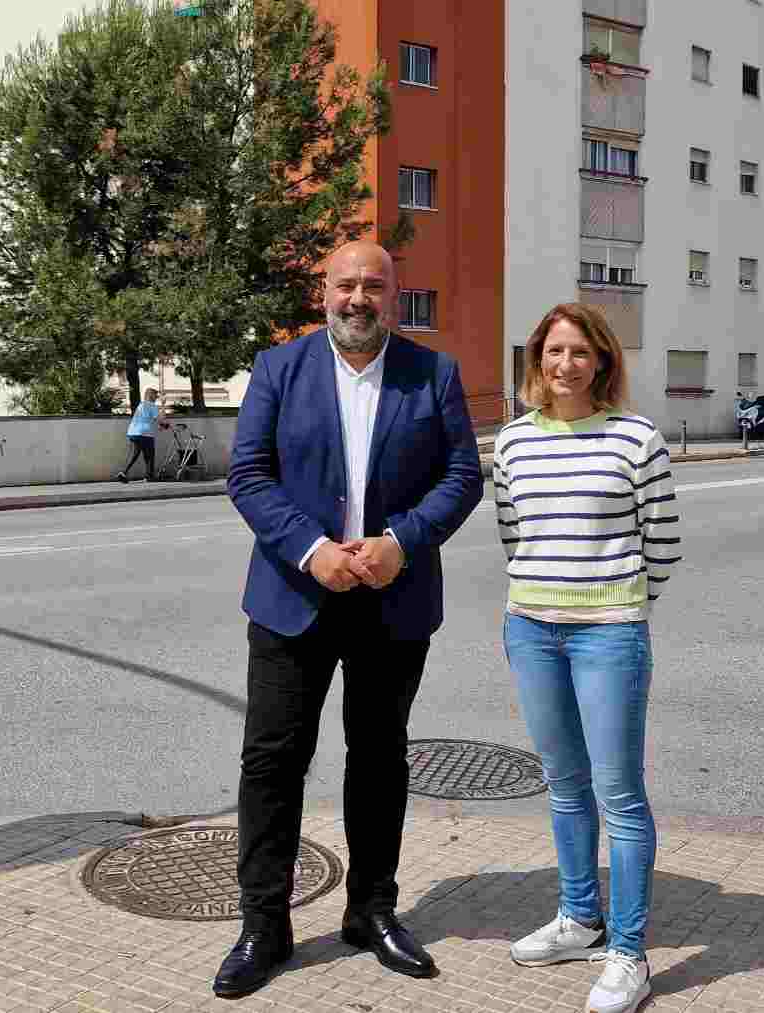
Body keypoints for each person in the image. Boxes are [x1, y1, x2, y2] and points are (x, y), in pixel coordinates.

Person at [216, 241, 484, 999]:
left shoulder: (432, 374)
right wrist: (309, 549)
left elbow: (463, 475)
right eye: (345, 284)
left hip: (393, 601)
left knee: (378, 759)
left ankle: (371, 910)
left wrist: (403, 540)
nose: (358, 297)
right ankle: (263, 926)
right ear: (322, 291)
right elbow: (249, 474)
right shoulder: (279, 369)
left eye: (374, 285)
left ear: (394, 296)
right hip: (292, 601)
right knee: (272, 763)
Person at [493, 303, 679, 1013]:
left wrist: (617, 602)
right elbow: (515, 535)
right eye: (552, 350)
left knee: (620, 796)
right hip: (531, 629)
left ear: (602, 360)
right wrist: (548, 594)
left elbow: (659, 543)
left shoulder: (636, 438)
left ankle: (629, 953)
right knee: (563, 783)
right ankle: (580, 918)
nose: (564, 363)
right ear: (537, 358)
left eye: (579, 352)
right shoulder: (512, 442)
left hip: (609, 633)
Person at [117, 388, 164, 482]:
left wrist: (160, 424)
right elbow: (159, 418)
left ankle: (123, 472)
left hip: (133, 432)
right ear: (151, 396)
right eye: (155, 396)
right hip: (145, 433)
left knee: (135, 454)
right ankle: (149, 476)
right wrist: (164, 423)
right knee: (150, 455)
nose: (156, 398)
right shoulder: (152, 405)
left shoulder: (141, 405)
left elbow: (147, 418)